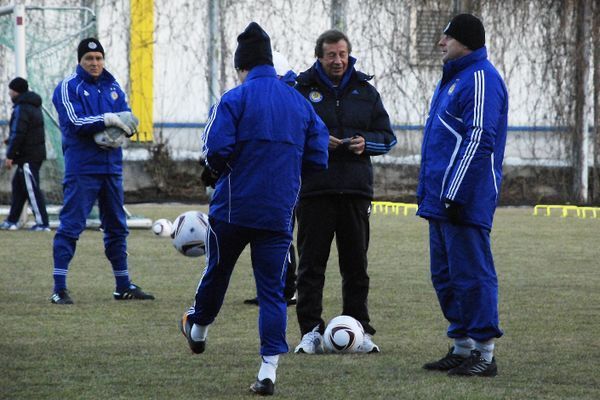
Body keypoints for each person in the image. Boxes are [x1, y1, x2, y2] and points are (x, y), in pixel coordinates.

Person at [178, 22, 328, 396]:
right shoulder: (300, 103)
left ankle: (198, 329)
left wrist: (217, 172)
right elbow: (318, 156)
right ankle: (268, 370)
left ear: (241, 66)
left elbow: (214, 150)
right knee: (273, 292)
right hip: (277, 212)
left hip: (232, 209)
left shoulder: (233, 99)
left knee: (217, 271)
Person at [293, 29, 396, 354]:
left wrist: (367, 143)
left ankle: (359, 329)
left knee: (355, 267)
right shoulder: (300, 90)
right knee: (311, 267)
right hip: (315, 191)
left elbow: (388, 137)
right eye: (331, 55)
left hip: (355, 191)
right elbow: (289, 133)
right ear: (319, 57)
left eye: (342, 55)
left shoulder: (366, 92)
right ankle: (310, 332)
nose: (338, 61)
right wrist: (316, 141)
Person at [417, 14, 508, 377]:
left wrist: (454, 193)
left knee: (471, 275)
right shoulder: (454, 79)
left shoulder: (482, 77)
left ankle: (484, 354)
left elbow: (479, 138)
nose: (441, 42)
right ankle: (462, 347)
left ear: (466, 41)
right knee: (445, 275)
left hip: (464, 198)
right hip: (440, 199)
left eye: (447, 37)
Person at [50, 37, 155, 305]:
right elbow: (75, 122)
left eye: (98, 58)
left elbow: (126, 116)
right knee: (71, 226)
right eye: (89, 59)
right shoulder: (67, 87)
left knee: (117, 227)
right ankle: (59, 288)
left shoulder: (113, 86)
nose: (95, 63)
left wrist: (126, 129)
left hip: (111, 167)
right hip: (82, 168)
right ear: (80, 61)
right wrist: (107, 120)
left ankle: (123, 285)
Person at [243, 50, 298, 307]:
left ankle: (286, 289)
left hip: (283, 181)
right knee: (267, 236)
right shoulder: (282, 97)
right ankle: (272, 288)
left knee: (280, 236)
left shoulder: (286, 100)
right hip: (270, 179)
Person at [1, 77, 50, 231]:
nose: (9, 93)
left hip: (28, 156)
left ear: (16, 91)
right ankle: (12, 220)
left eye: (11, 90)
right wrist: (11, 140)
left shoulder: (22, 108)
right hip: (30, 154)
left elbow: (19, 133)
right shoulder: (32, 106)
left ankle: (42, 223)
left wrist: (10, 155)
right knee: (18, 186)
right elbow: (26, 131)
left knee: (31, 189)